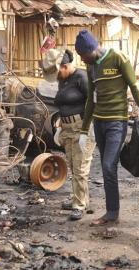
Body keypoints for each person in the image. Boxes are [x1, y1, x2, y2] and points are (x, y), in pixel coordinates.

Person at [74, 30, 139, 226]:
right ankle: (112, 211)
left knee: (109, 165)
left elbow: (135, 87)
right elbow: (91, 100)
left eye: (84, 55)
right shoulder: (91, 66)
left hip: (117, 122)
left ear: (93, 49)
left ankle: (112, 212)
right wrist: (85, 129)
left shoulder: (118, 58)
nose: (83, 59)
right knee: (105, 167)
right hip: (99, 123)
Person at [40, 48, 96, 221]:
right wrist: (59, 124)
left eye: (57, 73)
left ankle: (79, 205)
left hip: (82, 128)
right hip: (66, 128)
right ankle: (79, 199)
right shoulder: (63, 80)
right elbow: (63, 103)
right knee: (73, 165)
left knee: (80, 169)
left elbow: (94, 104)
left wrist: (86, 129)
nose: (56, 77)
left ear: (64, 66)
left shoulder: (82, 78)